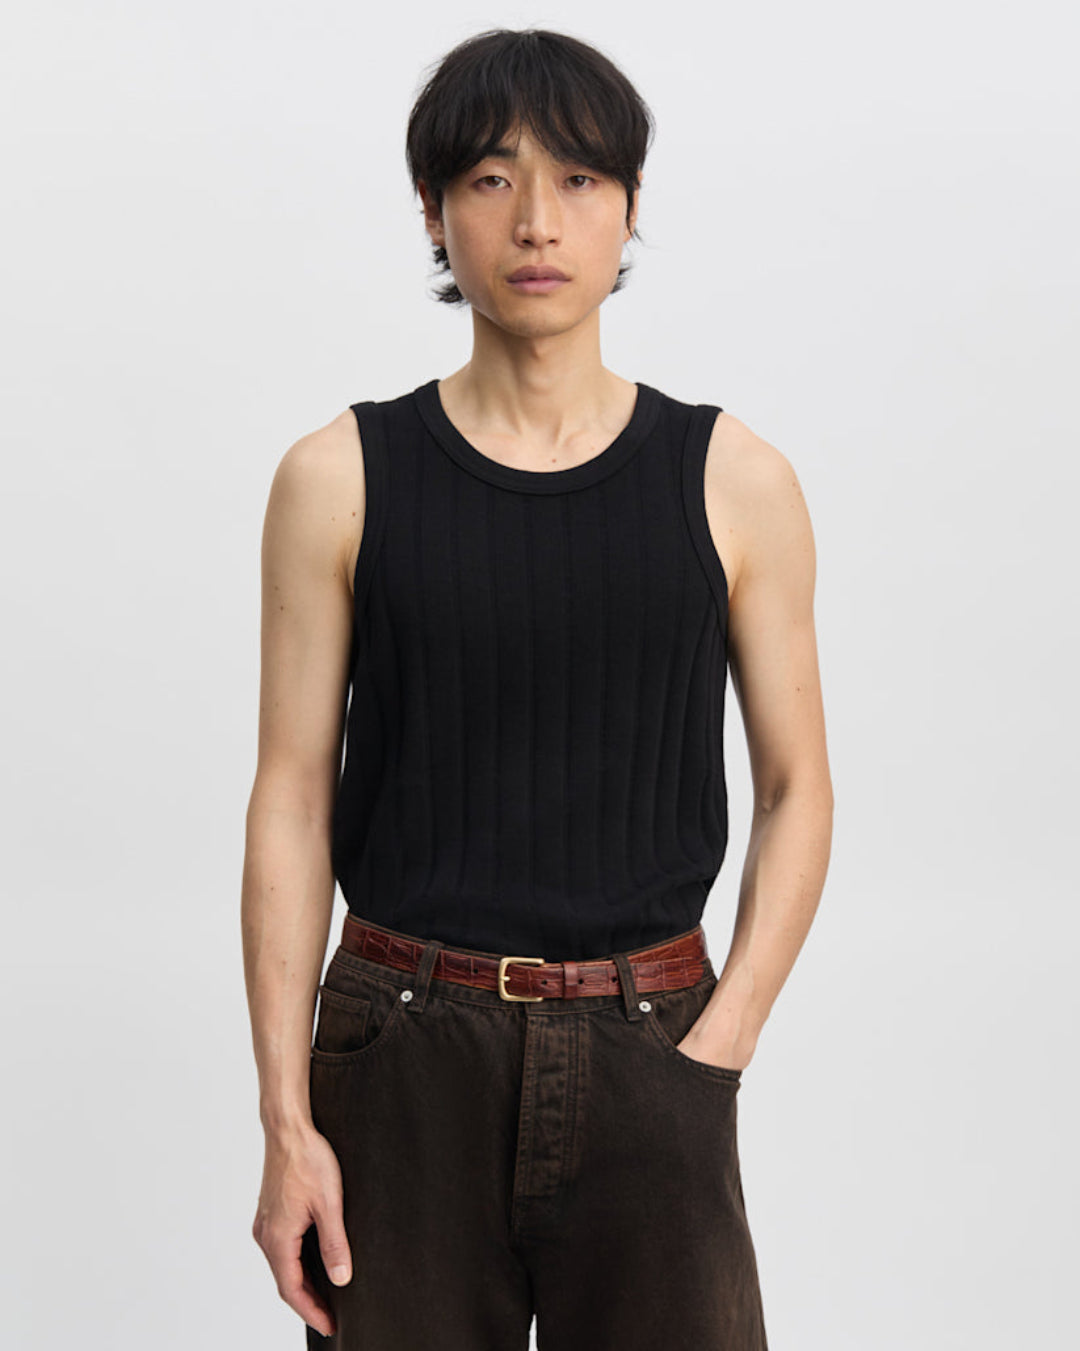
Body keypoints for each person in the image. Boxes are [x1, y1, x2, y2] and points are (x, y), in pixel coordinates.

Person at [243, 26, 833, 1351]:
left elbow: (800, 786)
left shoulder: (735, 480)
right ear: (434, 210)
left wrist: (722, 1040)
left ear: (629, 207)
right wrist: (286, 1119)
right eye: (492, 179)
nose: (536, 222)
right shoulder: (337, 477)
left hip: (652, 1040)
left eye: (577, 179)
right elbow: (291, 797)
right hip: (401, 1047)